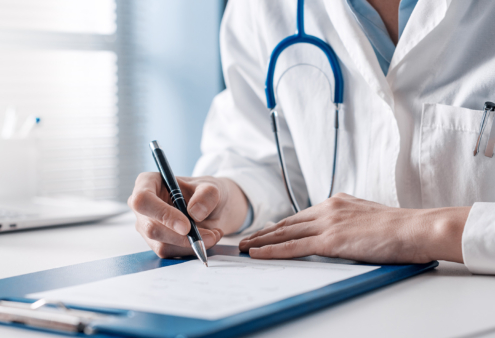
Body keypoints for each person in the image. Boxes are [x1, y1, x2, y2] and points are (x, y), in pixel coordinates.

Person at [129, 0, 495, 275]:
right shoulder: (261, 8)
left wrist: (425, 230)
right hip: (345, 321)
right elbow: (262, 159)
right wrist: (221, 199)